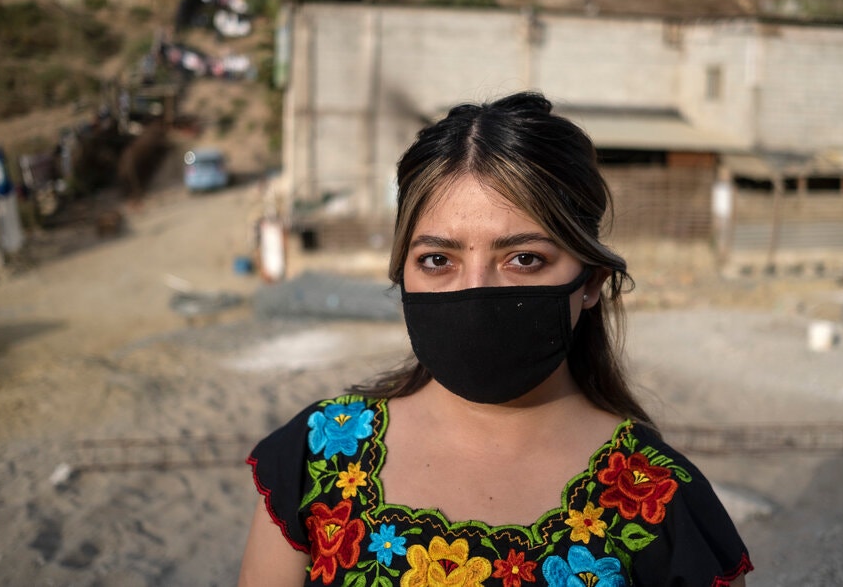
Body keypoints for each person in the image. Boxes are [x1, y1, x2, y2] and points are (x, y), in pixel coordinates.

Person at [239, 91, 752, 586]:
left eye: (524, 259)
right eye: (437, 260)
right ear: (403, 273)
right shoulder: (320, 458)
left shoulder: (660, 501)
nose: (476, 292)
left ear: (591, 281)